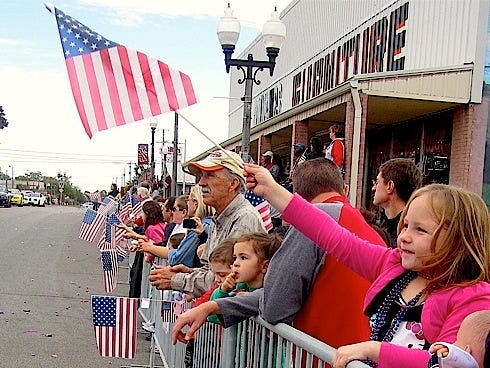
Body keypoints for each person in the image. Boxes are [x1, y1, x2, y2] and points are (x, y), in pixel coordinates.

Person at [239, 163, 490, 368]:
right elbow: (332, 236)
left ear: (460, 240)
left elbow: (447, 362)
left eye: (420, 230)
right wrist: (271, 190)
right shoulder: (393, 266)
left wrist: (374, 350)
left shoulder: (472, 299)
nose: (404, 236)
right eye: (404, 226)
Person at [171, 158, 387, 352]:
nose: (201, 183)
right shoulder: (370, 231)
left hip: (323, 356)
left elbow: (275, 305)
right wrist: (217, 305)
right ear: (344, 190)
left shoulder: (314, 223)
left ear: (298, 196)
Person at [148, 149, 266, 298]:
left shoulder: (244, 219)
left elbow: (228, 279)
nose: (201, 182)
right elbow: (213, 272)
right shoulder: (221, 216)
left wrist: (175, 279)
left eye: (210, 175)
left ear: (233, 184)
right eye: (201, 176)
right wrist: (190, 273)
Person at [139, 186, 214, 268]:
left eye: (188, 200)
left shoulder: (199, 225)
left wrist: (151, 248)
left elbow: (178, 257)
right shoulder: (208, 223)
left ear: (195, 203)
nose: (187, 203)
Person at [372, 158, 423, 248]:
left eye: (377, 182)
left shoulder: (406, 234)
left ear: (390, 186)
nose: (373, 188)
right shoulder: (415, 229)